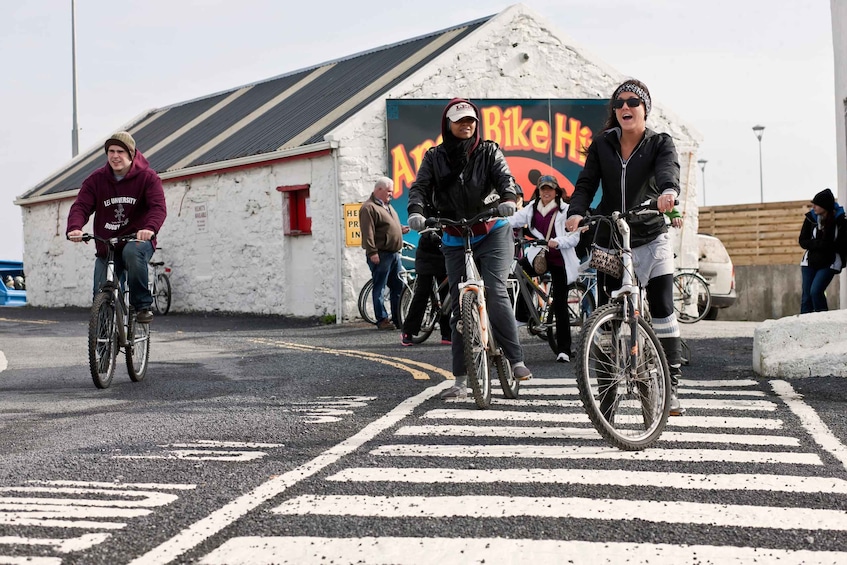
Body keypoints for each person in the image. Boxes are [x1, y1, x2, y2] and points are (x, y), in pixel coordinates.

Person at [564, 79, 686, 416]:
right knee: (607, 316)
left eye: (633, 102)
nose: (626, 108)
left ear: (645, 108)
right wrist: (576, 211)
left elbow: (667, 171)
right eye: (619, 103)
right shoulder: (602, 144)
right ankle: (606, 394)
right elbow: (587, 182)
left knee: (662, 306)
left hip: (650, 233)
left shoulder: (660, 142)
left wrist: (668, 193)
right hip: (611, 237)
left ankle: (671, 388)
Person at [407, 98, 532, 399]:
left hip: (492, 230)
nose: (467, 124)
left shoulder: (489, 151)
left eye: (471, 120)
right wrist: (416, 210)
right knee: (459, 306)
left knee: (494, 288)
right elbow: (421, 188)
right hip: (453, 234)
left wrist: (509, 199)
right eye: (460, 119)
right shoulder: (434, 156)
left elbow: (506, 179)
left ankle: (515, 360)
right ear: (447, 124)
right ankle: (461, 380)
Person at [67, 131, 167, 324]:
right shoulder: (96, 180)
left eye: (120, 151)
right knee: (100, 292)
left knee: (132, 252)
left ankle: (142, 306)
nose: (115, 156)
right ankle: (102, 341)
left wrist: (149, 228)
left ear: (131, 153)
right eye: (111, 151)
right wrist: (75, 227)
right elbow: (81, 206)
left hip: (138, 240)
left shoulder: (148, 178)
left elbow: (158, 207)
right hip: (108, 244)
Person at [509, 175, 582, 362]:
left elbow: (574, 238)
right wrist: (495, 224)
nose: (546, 192)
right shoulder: (532, 207)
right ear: (538, 191)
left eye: (550, 189)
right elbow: (513, 220)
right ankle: (524, 315)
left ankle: (564, 350)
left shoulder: (566, 210)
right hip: (539, 257)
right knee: (519, 270)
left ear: (556, 190)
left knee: (560, 303)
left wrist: (557, 242)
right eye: (543, 189)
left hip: (560, 260)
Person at [359, 177, 410, 330]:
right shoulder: (368, 208)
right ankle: (382, 319)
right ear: (379, 190)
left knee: (397, 286)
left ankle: (398, 317)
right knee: (380, 287)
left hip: (393, 254)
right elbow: (367, 232)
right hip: (381, 254)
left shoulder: (387, 206)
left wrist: (399, 230)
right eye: (389, 191)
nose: (391, 194)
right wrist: (372, 252)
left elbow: (387, 227)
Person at [400, 219, 451, 346]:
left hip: (446, 254)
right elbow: (422, 225)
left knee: (447, 296)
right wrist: (430, 233)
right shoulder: (430, 206)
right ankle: (408, 332)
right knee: (422, 293)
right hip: (427, 255)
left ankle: (447, 333)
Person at [799, 188, 847, 313]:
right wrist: (819, 244)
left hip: (829, 262)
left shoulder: (840, 221)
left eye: (817, 204)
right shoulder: (810, 218)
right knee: (806, 297)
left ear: (825, 206)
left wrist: (830, 247)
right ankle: (804, 327)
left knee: (816, 291)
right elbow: (803, 241)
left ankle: (822, 322)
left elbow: (842, 243)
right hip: (809, 262)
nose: (813, 207)